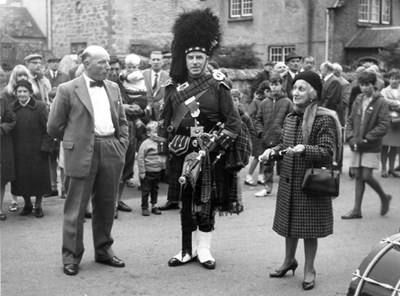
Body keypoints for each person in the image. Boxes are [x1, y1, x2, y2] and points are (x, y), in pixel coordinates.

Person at [158, 8, 242, 269]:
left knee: (206, 202)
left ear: (207, 59)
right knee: (185, 203)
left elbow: (233, 122)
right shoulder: (173, 87)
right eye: (191, 57)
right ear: (185, 59)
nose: (195, 62)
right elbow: (165, 120)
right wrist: (166, 148)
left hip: (211, 153)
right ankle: (186, 250)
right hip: (182, 152)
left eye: (199, 57)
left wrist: (214, 146)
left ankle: (204, 249)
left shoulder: (218, 85)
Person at [47, 45, 129, 276]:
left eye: (108, 62)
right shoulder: (67, 89)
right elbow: (53, 126)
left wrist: (121, 143)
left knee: (106, 205)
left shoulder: (113, 87)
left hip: (110, 149)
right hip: (82, 152)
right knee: (76, 209)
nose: (108, 66)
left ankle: (104, 250)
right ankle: (71, 257)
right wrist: (75, 140)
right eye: (102, 62)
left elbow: (122, 120)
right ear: (86, 63)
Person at [259, 70, 342, 290]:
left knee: (309, 230)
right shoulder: (291, 116)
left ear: (314, 93)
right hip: (288, 180)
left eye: (301, 88)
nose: (295, 92)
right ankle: (289, 261)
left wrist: (305, 149)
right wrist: (271, 152)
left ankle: (309, 269)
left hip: (310, 183)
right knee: (289, 224)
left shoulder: (323, 119)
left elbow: (326, 151)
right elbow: (283, 145)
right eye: (294, 88)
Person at [342, 71, 391, 219]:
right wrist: (350, 137)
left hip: (370, 144)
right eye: (362, 85)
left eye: (367, 85)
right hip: (357, 143)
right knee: (358, 175)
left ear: (373, 85)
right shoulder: (358, 99)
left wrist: (368, 138)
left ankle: (384, 196)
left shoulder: (380, 102)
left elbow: (384, 125)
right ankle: (357, 209)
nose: (364, 88)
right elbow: (350, 120)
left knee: (366, 175)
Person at [11, 80, 51, 218]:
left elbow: (48, 129)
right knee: (22, 179)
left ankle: (38, 205)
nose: (22, 94)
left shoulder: (40, 107)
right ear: (15, 93)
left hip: (38, 150)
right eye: (19, 92)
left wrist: (46, 148)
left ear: (30, 93)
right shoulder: (12, 108)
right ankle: (27, 204)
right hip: (19, 151)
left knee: (39, 178)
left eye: (25, 91)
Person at [2, 64, 40, 212]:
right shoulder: (7, 94)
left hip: (31, 134)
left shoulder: (33, 91)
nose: (22, 78)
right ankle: (14, 199)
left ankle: (34, 202)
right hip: (14, 136)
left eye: (24, 75)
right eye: (19, 76)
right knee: (15, 171)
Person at [107, 56, 141, 213]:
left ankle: (117, 200)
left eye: (116, 69)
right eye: (110, 69)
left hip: (129, 131)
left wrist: (136, 108)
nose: (113, 72)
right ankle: (109, 204)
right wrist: (124, 108)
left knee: (125, 170)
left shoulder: (120, 84)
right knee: (114, 171)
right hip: (113, 135)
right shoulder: (102, 86)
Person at [254, 74, 293, 197]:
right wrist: (261, 132)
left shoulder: (287, 102)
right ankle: (267, 188)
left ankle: (286, 190)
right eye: (272, 84)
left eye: (277, 84)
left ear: (281, 85)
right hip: (267, 138)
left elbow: (292, 119)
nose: (274, 87)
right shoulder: (264, 102)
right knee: (268, 165)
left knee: (285, 166)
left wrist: (285, 133)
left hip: (282, 139)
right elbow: (258, 119)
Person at [44, 56, 70, 198]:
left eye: (57, 61)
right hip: (50, 134)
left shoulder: (65, 76)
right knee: (51, 161)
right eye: (52, 61)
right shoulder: (45, 77)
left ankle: (64, 189)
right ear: (48, 64)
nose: (55, 64)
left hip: (61, 133)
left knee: (63, 163)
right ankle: (52, 186)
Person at [231, 88, 256, 213]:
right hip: (227, 148)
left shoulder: (244, 116)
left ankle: (239, 202)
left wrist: (245, 143)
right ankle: (227, 201)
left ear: (239, 101)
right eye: (230, 99)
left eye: (235, 99)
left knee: (236, 175)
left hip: (238, 150)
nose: (232, 102)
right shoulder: (224, 114)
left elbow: (251, 132)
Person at [137, 121, 166, 216]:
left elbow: (163, 156)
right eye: (155, 132)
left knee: (155, 190)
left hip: (157, 172)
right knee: (145, 191)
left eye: (159, 132)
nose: (157, 134)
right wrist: (142, 172)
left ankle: (154, 205)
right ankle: (144, 207)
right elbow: (140, 158)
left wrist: (163, 169)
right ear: (148, 133)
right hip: (147, 172)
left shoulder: (161, 143)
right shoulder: (145, 144)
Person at [244, 80, 270, 186]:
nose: (270, 93)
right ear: (264, 91)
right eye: (268, 91)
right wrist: (258, 127)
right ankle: (249, 176)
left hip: (266, 132)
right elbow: (250, 116)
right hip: (258, 133)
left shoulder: (269, 102)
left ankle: (260, 175)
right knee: (257, 156)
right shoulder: (256, 102)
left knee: (263, 155)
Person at [380, 69, 400, 178]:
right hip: (387, 120)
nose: (394, 81)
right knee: (385, 146)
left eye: (397, 78)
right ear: (389, 79)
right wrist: (397, 103)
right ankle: (383, 168)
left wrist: (393, 105)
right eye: (392, 78)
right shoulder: (384, 90)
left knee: (395, 146)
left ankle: (391, 168)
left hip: (398, 121)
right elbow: (384, 101)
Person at [0, 95, 16, 221]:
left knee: (0, 178)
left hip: (1, 142)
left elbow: (11, 119)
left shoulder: (2, 100)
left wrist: (1, 128)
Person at [142, 51, 170, 121]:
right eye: (153, 59)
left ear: (162, 62)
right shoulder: (143, 74)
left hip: (160, 113)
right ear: (150, 61)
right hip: (145, 112)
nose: (156, 62)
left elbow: (169, 94)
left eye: (158, 59)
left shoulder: (168, 77)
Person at [319, 61, 344, 126]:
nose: (320, 72)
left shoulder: (334, 81)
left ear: (325, 70)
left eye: (320, 70)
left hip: (330, 115)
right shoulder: (326, 81)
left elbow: (331, 100)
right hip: (326, 114)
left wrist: (320, 110)